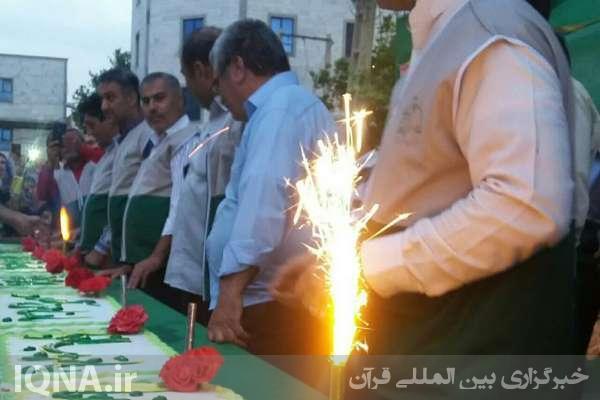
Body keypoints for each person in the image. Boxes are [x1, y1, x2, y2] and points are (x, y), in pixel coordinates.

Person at [272, 0, 578, 398]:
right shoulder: (450, 34)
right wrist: (340, 262)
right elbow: (427, 188)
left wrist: (368, 266)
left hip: (470, 362)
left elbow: (524, 206)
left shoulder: (491, 33)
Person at [204, 19, 336, 356]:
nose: (219, 96)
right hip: (271, 302)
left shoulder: (280, 109)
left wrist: (230, 293)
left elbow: (264, 203)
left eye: (217, 82)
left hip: (270, 308)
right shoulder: (284, 106)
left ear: (237, 68)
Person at [164, 27, 243, 322]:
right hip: (190, 274)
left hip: (211, 279)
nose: (188, 87)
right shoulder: (213, 123)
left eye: (186, 78)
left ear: (200, 70)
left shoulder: (236, 122)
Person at [103, 73, 196, 308]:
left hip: (163, 268)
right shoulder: (157, 142)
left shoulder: (186, 140)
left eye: (159, 98)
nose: (152, 107)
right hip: (144, 265)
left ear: (180, 100)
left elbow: (180, 206)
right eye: (146, 101)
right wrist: (131, 264)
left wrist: (156, 257)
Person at [96, 68, 154, 266]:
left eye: (110, 98)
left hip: (142, 258)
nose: (104, 106)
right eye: (102, 99)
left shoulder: (147, 135)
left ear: (131, 98)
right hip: (123, 254)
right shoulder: (122, 141)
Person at [77, 93, 120, 265]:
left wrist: (100, 248)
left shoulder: (120, 154)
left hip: (104, 258)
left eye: (91, 125)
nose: (89, 133)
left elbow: (118, 212)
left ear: (108, 120)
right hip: (91, 255)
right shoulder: (107, 155)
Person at [53, 128, 99, 232]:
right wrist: (50, 164)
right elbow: (42, 195)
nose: (69, 147)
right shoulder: (58, 175)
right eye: (64, 144)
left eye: (72, 141)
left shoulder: (96, 167)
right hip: (69, 237)